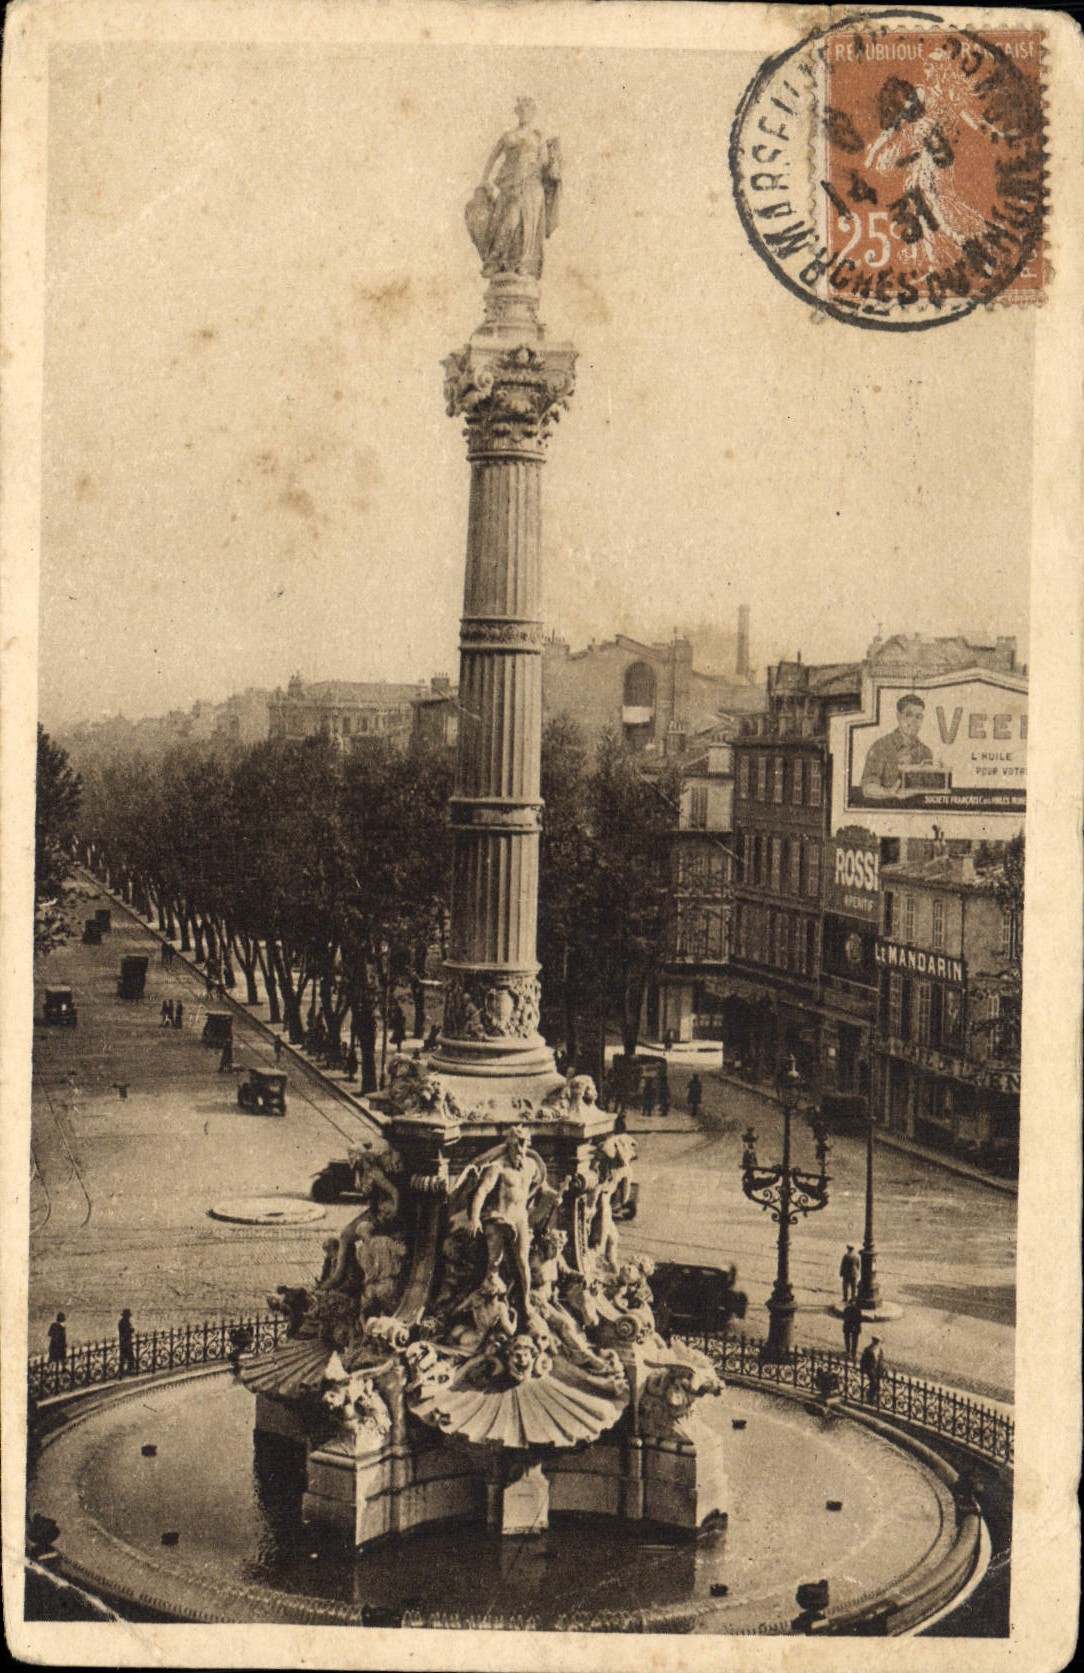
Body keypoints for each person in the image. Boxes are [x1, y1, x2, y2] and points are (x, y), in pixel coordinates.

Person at [467, 97, 561, 280]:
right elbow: (492, 158)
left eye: (529, 110)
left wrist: (554, 166)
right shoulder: (508, 136)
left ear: (532, 113)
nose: (525, 113)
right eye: (522, 110)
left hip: (531, 187)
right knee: (509, 221)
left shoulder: (537, 138)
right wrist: (483, 181)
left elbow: (544, 165)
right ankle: (495, 260)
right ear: (517, 112)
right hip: (510, 185)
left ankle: (524, 263)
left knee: (528, 226)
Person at [860, 693, 935, 799]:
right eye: (908, 715)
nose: (913, 721)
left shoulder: (926, 752)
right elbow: (868, 787)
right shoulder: (880, 747)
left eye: (918, 717)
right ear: (898, 716)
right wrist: (890, 794)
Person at [860, 1336, 885, 1404]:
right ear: (873, 1342)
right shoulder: (868, 1349)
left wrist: (882, 1369)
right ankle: (871, 1398)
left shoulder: (880, 1350)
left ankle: (872, 1397)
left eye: (878, 1342)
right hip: (870, 1369)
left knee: (876, 1384)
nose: (877, 1344)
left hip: (878, 1370)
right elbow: (863, 1360)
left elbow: (881, 1360)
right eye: (876, 1342)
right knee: (874, 1383)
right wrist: (862, 1369)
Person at [118, 1309, 136, 1375]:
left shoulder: (124, 1322)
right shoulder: (123, 1322)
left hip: (125, 1341)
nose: (129, 1317)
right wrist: (130, 1330)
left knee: (128, 1357)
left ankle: (127, 1370)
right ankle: (125, 1370)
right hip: (125, 1342)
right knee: (126, 1357)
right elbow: (126, 1331)